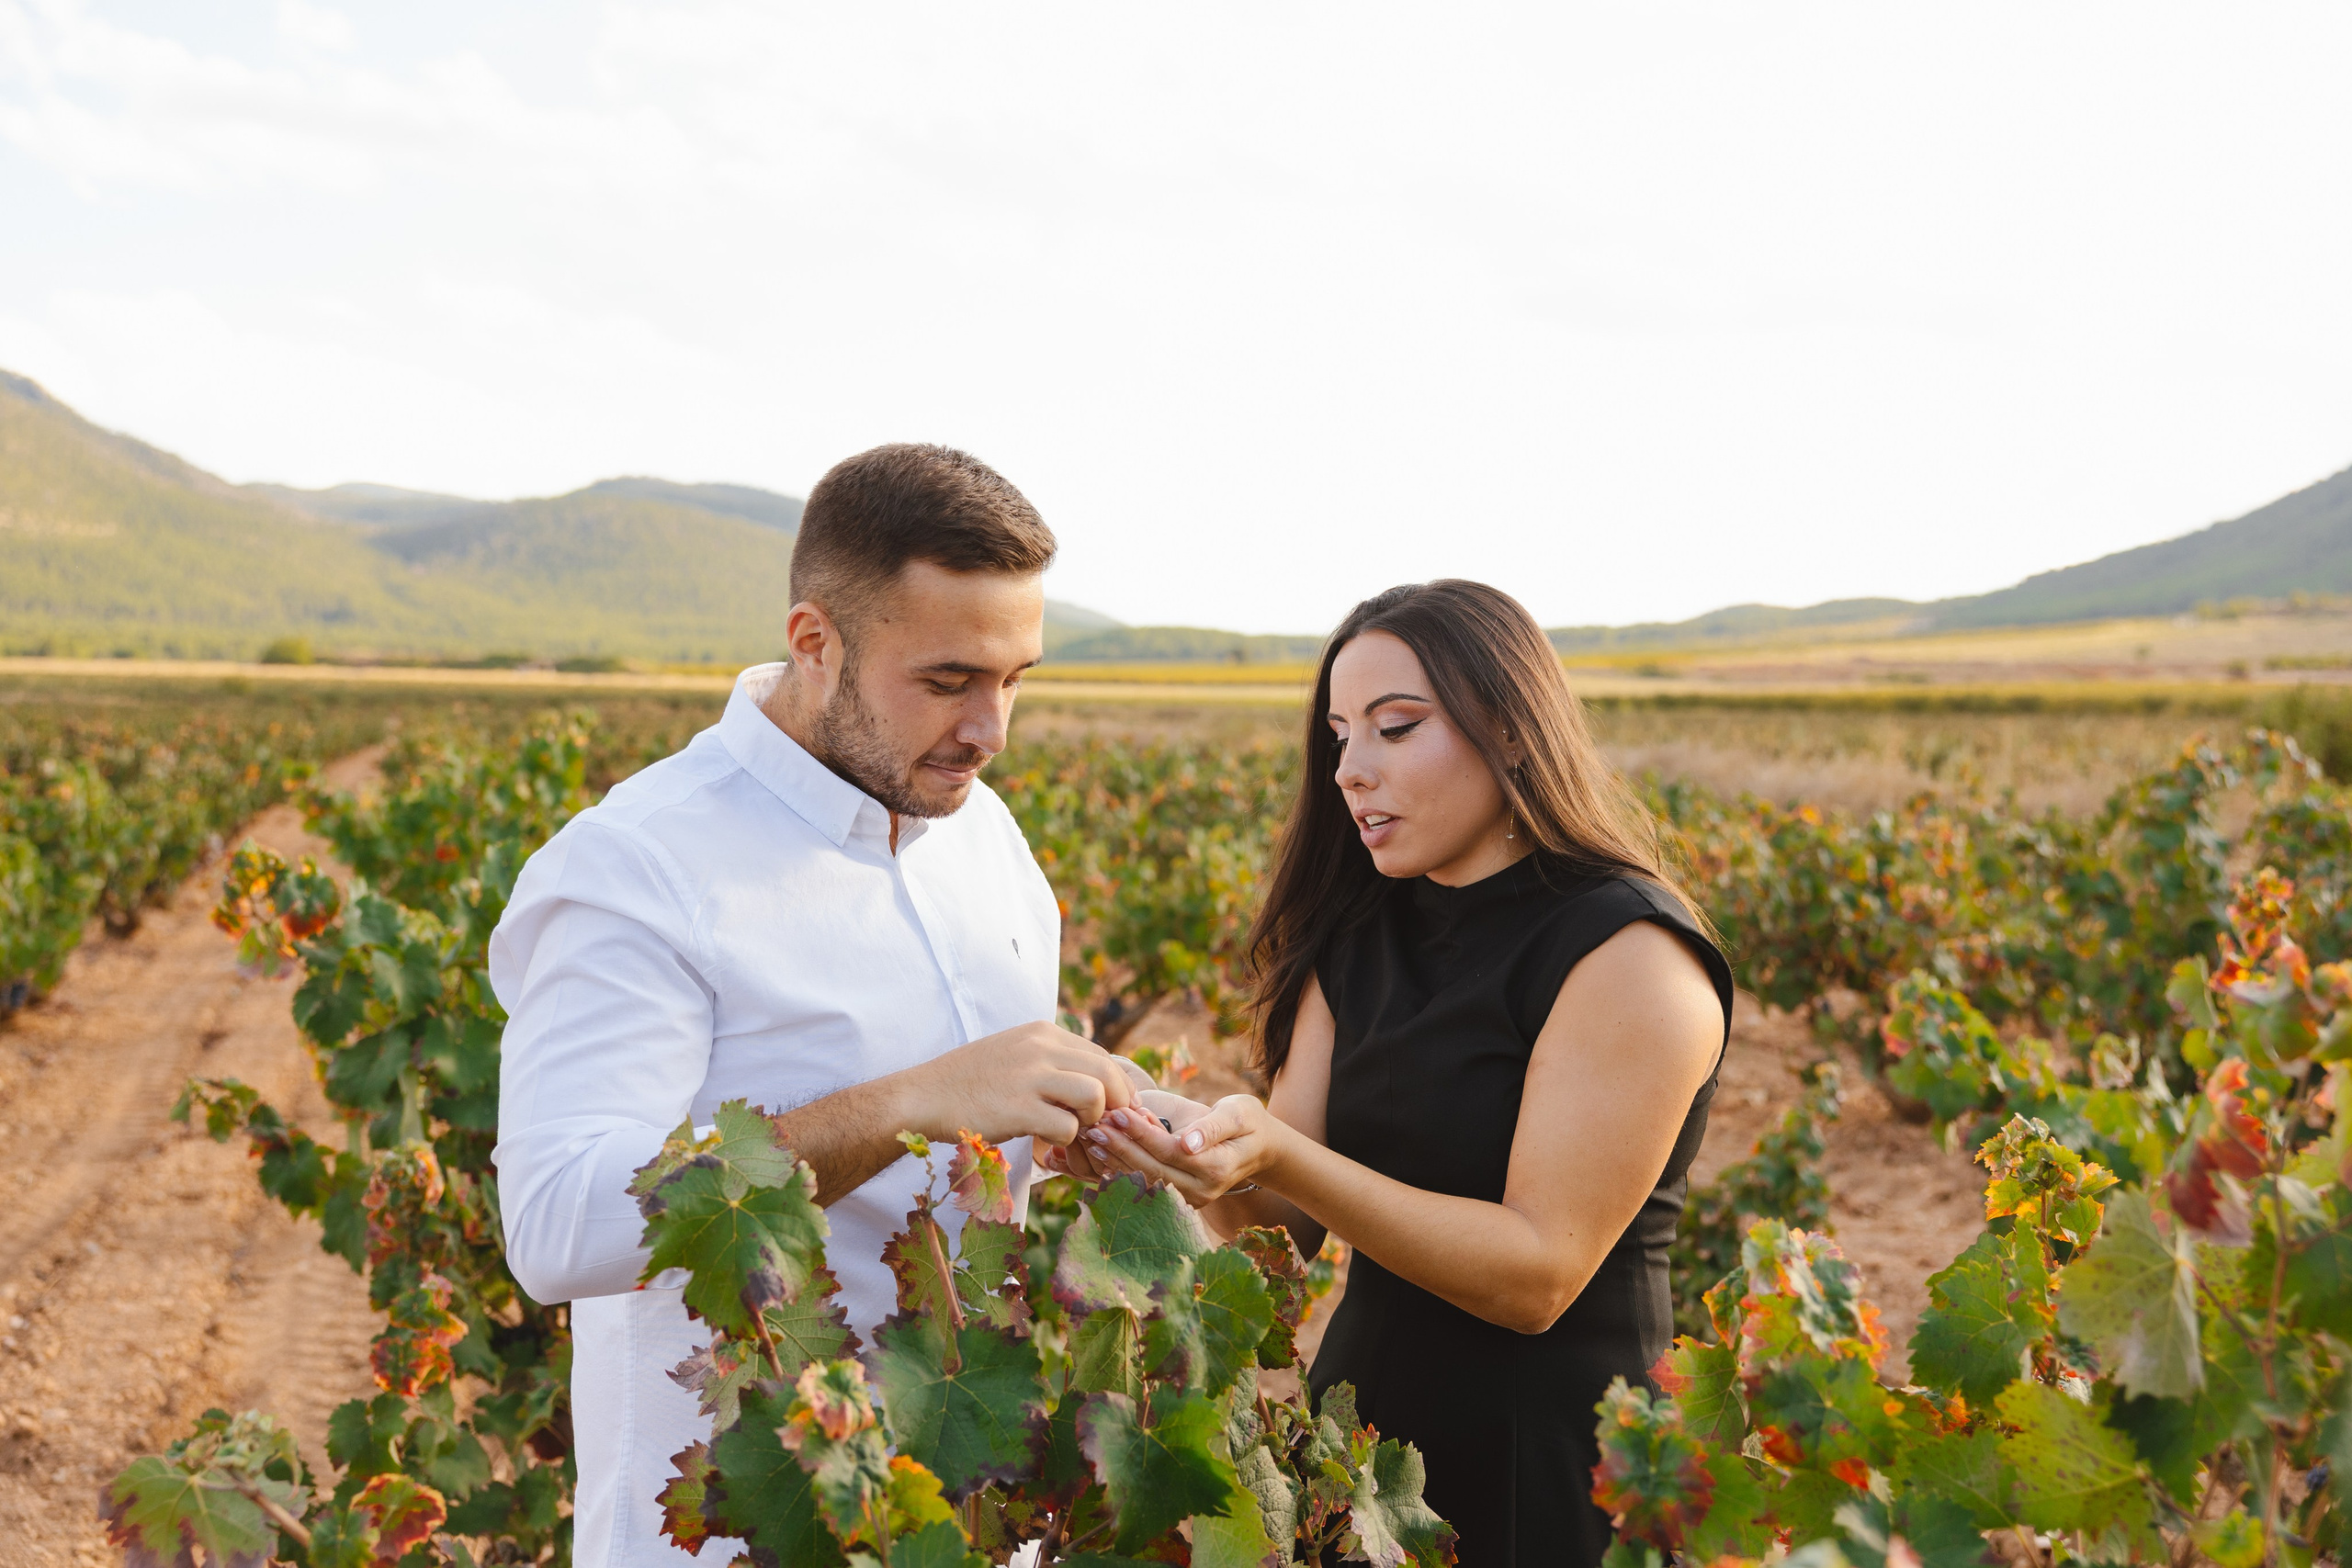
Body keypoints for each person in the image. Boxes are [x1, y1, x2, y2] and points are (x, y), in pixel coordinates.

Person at [490, 444, 1145, 1568]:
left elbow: (990, 1129)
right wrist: (917, 1104)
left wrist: (1092, 1123)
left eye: (1015, 679)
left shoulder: (982, 831)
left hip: (970, 1521)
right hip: (741, 1529)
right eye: (947, 682)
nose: (991, 731)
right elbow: (554, 1228)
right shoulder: (633, 867)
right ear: (815, 643)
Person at [1065, 579, 1734, 1567]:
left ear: (1508, 726)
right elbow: (1277, 1229)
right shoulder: (1359, 936)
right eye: (1340, 736)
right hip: (1367, 1456)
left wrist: (1278, 1151)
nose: (1349, 770)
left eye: (1393, 727)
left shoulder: (1627, 953)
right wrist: (1172, 1152)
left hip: (1553, 1465)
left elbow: (1538, 1276)